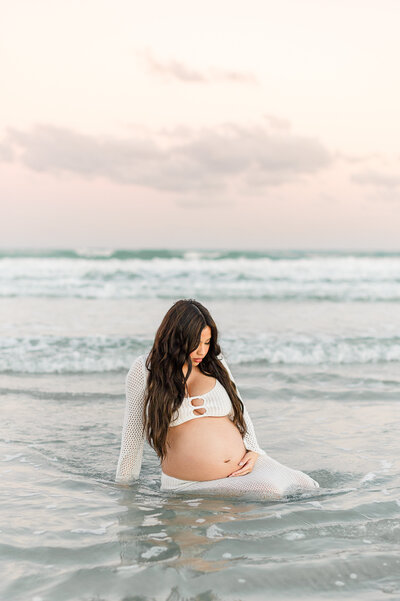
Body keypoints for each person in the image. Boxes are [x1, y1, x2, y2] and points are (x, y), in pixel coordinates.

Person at [115, 299, 320, 499]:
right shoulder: (145, 369)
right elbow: (132, 434)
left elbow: (240, 411)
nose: (202, 351)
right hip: (190, 483)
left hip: (243, 465)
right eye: (195, 343)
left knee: (308, 485)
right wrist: (125, 488)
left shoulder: (214, 363)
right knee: (268, 491)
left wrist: (254, 450)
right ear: (176, 339)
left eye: (207, 342)